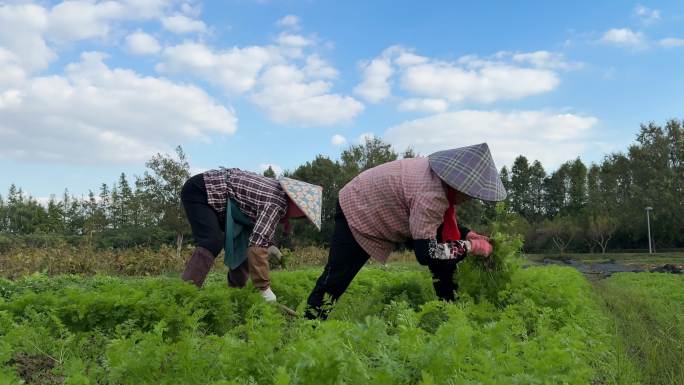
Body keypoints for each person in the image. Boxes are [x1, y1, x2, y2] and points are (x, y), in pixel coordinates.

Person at [305, 143, 506, 319]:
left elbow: (437, 226)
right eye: (470, 193)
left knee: (445, 261)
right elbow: (427, 253)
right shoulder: (431, 195)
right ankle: (307, 325)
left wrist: (466, 234)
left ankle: (451, 314)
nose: (470, 198)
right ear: (459, 184)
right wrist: (470, 246)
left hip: (389, 207)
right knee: (336, 278)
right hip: (358, 207)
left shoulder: (438, 181)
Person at [180, 167, 322, 302]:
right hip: (202, 190)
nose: (298, 217)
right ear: (296, 204)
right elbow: (257, 245)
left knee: (243, 250)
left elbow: (259, 226)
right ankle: (184, 295)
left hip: (222, 198)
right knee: (211, 241)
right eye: (302, 215)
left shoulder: (277, 193)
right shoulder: (277, 202)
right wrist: (264, 288)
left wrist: (271, 244)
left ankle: (236, 297)